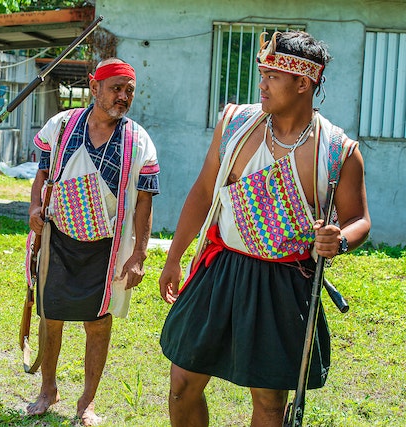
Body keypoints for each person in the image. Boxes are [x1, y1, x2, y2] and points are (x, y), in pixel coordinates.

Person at [158, 31, 371, 426]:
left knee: (271, 402)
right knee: (183, 381)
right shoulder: (235, 123)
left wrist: (340, 239)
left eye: (273, 75)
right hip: (220, 268)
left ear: (303, 83)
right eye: (262, 73)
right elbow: (205, 192)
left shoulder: (338, 151)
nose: (262, 84)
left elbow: (360, 221)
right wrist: (174, 258)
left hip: (283, 281)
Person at [26, 58, 160, 426]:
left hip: (107, 245)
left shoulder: (138, 141)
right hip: (58, 238)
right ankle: (47, 389)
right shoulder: (62, 126)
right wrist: (36, 206)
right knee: (50, 315)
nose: (123, 96)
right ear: (93, 86)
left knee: (98, 323)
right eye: (116, 88)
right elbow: (42, 173)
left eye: (129, 90)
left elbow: (145, 200)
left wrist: (139, 254)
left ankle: (87, 403)